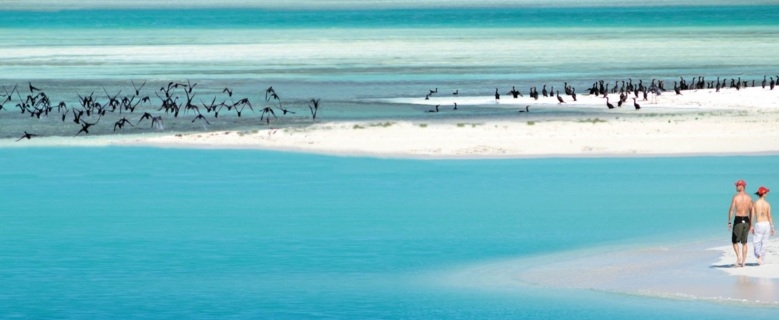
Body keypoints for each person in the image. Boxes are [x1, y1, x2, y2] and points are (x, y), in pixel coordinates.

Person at [728, 179, 753, 267]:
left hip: (738, 220)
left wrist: (729, 222)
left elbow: (731, 210)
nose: (736, 187)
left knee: (734, 241)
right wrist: (751, 223)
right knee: (744, 242)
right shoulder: (749, 198)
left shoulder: (736, 197)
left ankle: (739, 257)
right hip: (746, 220)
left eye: (737, 185)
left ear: (742, 186)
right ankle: (743, 262)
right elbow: (751, 211)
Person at [750, 186, 774, 265]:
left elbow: (752, 215)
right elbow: (769, 216)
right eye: (766, 192)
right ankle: (761, 258)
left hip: (759, 223)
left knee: (756, 242)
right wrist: (772, 227)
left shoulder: (755, 203)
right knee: (764, 242)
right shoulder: (767, 204)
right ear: (763, 194)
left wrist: (751, 225)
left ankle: (759, 256)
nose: (766, 193)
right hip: (766, 224)